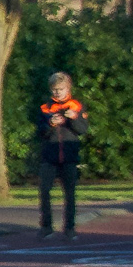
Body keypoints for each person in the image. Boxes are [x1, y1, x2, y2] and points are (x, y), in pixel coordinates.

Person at [37, 71, 90, 238]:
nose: (57, 92)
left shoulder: (77, 106)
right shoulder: (45, 108)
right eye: (54, 89)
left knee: (70, 193)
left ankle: (69, 228)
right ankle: (46, 227)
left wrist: (73, 118)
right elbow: (39, 132)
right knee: (44, 191)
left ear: (68, 88)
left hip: (69, 157)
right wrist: (50, 125)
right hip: (49, 156)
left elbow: (82, 129)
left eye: (60, 89)